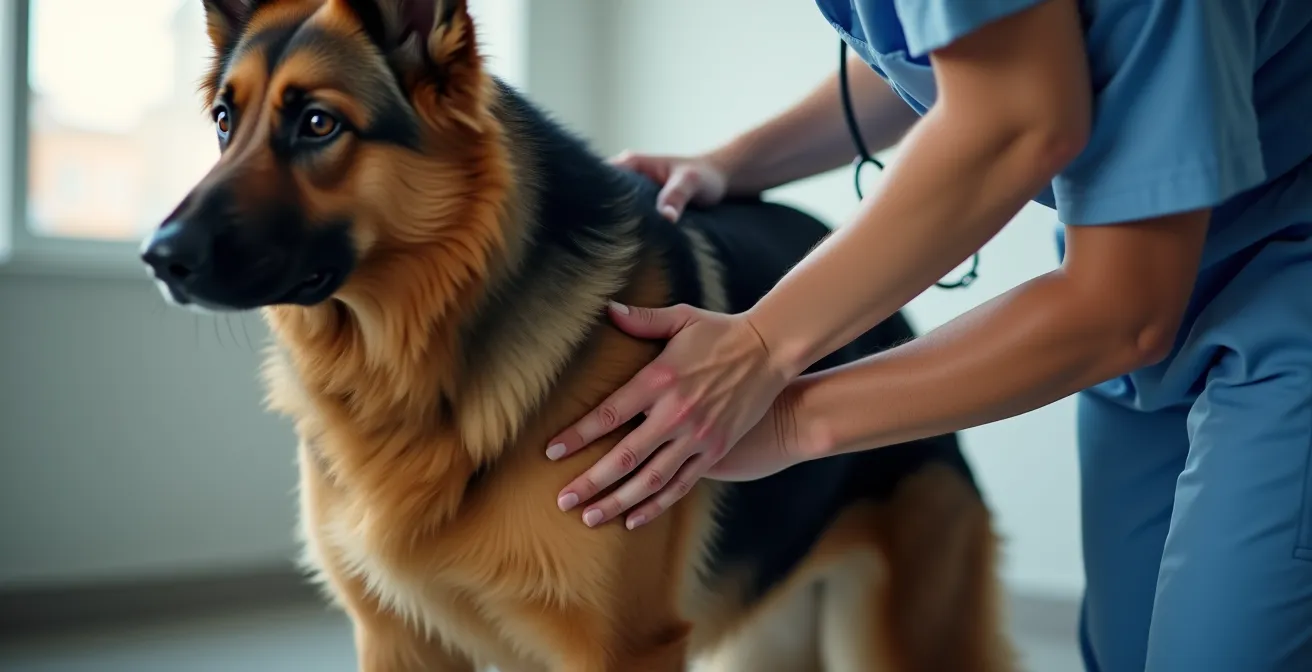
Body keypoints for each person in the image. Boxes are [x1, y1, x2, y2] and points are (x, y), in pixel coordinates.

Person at [545, 0, 1312, 669]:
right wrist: (736, 162)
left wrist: (776, 390)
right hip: (1151, 271)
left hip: (1271, 283)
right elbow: (966, 45)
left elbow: (1121, 305)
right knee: (1126, 648)